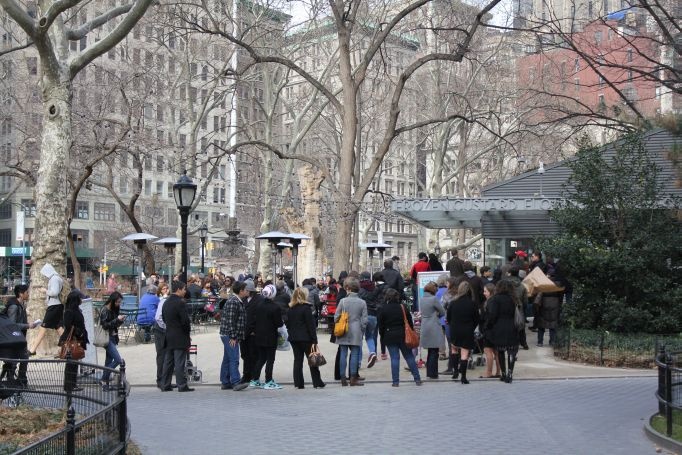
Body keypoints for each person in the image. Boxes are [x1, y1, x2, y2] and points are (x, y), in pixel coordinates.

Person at [378, 288, 422, 387]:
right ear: (397, 296)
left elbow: (381, 326)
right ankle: (417, 379)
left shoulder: (383, 308)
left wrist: (383, 336)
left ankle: (395, 381)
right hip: (403, 335)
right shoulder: (403, 307)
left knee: (394, 358)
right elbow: (410, 322)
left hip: (389, 335)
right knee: (409, 356)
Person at [286, 287, 325, 389]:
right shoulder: (306, 308)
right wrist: (314, 339)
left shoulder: (290, 308)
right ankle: (317, 382)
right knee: (312, 359)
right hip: (306, 338)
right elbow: (311, 326)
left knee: (297, 360)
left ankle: (299, 383)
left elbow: (288, 324)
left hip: (294, 338)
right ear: (304, 296)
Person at [484, 279, 520, 383]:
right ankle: (510, 373)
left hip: (499, 327)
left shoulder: (495, 299)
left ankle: (503, 374)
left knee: (500, 351)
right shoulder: (514, 299)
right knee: (511, 351)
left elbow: (492, 315)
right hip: (512, 326)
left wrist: (488, 326)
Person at [1, 284, 38, 385]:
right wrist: (28, 325)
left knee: (24, 358)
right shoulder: (13, 306)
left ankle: (21, 381)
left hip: (18, 338)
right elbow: (12, 325)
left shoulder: (21, 305)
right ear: (21, 294)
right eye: (27, 292)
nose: (28, 294)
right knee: (13, 362)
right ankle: (11, 383)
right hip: (12, 340)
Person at [334, 277, 367, 386]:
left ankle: (343, 378)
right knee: (355, 354)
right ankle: (353, 378)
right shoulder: (362, 303)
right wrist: (362, 330)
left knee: (343, 354)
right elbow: (364, 321)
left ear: (347, 288)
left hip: (344, 330)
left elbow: (336, 317)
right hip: (356, 330)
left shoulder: (343, 301)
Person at [161, 281, 194, 392]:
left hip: (169, 334)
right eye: (184, 289)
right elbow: (185, 321)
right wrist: (187, 333)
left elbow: (164, 319)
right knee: (179, 362)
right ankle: (182, 385)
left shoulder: (166, 302)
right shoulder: (180, 303)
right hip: (180, 335)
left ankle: (165, 384)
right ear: (179, 289)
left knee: (168, 362)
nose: (185, 291)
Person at [250, 284, 284, 390]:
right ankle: (268, 380)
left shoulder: (259, 305)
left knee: (261, 358)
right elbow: (279, 324)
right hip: (270, 337)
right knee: (270, 359)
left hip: (259, 336)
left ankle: (255, 379)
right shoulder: (275, 307)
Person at [218, 281, 249, 391]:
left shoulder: (236, 300)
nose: (247, 291)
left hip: (228, 334)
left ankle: (225, 382)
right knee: (234, 358)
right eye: (246, 289)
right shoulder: (233, 301)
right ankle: (236, 382)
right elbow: (231, 320)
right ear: (241, 291)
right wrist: (233, 336)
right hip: (229, 334)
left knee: (227, 358)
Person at [447, 281, 480, 384]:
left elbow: (448, 318)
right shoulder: (473, 304)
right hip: (467, 330)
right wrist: (471, 327)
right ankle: (463, 377)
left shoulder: (453, 303)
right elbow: (476, 319)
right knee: (464, 353)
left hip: (455, 329)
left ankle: (455, 371)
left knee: (454, 350)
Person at [30, 263, 65, 355]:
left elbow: (54, 292)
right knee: (59, 327)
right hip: (57, 306)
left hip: (54, 306)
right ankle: (68, 348)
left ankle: (32, 350)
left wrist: (45, 290)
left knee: (43, 327)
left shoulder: (54, 279)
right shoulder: (57, 278)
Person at [60, 290, 89, 392]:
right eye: (80, 298)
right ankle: (69, 385)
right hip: (72, 339)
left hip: (77, 338)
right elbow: (68, 326)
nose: (82, 300)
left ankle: (73, 384)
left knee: (74, 363)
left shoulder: (76, 310)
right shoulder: (69, 311)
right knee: (71, 364)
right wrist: (78, 332)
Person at [99, 291, 126, 391]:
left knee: (108, 361)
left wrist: (120, 320)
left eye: (120, 302)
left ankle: (104, 382)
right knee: (119, 360)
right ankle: (103, 379)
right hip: (107, 338)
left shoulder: (115, 309)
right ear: (113, 300)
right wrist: (116, 320)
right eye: (118, 302)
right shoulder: (105, 310)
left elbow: (115, 325)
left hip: (113, 337)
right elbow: (105, 325)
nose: (119, 304)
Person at [419, 282, 446, 379]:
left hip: (425, 326)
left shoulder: (422, 299)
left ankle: (429, 373)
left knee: (430, 351)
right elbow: (442, 311)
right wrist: (437, 314)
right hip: (434, 326)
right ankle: (433, 374)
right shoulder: (434, 299)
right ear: (433, 289)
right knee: (434, 351)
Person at [240, 279, 261, 384]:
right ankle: (246, 375)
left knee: (253, 355)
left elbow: (259, 317)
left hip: (253, 333)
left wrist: (255, 330)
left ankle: (253, 376)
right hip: (244, 332)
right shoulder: (243, 300)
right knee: (244, 354)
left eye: (245, 290)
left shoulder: (258, 300)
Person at [358, 271, 379, 368]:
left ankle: (358, 362)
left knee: (359, 339)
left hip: (362, 316)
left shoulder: (359, 289)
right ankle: (372, 352)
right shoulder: (375, 288)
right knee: (369, 336)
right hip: (373, 315)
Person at [480, 283, 501, 378]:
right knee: (496, 352)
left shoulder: (490, 302)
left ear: (490, 292)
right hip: (496, 330)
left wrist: (485, 327)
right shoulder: (497, 301)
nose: (484, 293)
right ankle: (498, 372)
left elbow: (490, 317)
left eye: (485, 291)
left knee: (488, 351)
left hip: (489, 330)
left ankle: (488, 372)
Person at [153, 283, 170, 390]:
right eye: (163, 289)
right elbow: (158, 317)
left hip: (161, 329)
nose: (166, 290)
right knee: (161, 355)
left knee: (165, 356)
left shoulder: (165, 300)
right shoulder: (162, 300)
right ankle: (160, 380)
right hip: (160, 330)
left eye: (167, 288)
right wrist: (165, 327)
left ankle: (164, 380)